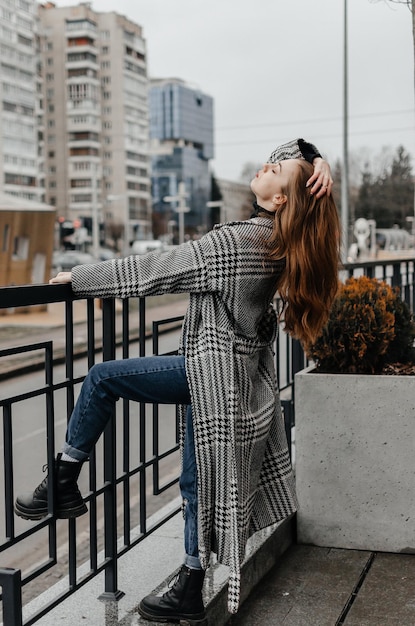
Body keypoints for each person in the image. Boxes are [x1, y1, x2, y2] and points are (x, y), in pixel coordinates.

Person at [15, 138, 340, 623]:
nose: (267, 162)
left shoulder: (236, 243)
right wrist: (317, 162)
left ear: (281, 200)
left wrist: (80, 278)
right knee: (193, 482)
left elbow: (154, 270)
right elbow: (291, 159)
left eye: (278, 168)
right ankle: (189, 587)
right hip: (231, 379)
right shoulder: (278, 241)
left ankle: (62, 480)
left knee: (103, 378)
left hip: (211, 376)